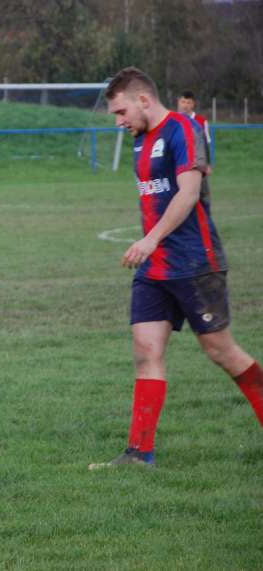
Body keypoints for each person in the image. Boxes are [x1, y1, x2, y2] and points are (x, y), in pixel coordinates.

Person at [89, 67, 263, 469]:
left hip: (195, 261)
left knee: (221, 351)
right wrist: (151, 246)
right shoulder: (140, 139)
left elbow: (188, 193)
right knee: (146, 350)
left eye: (121, 112)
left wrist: (150, 239)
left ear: (143, 100)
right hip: (156, 268)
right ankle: (138, 454)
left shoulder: (182, 129)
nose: (119, 122)